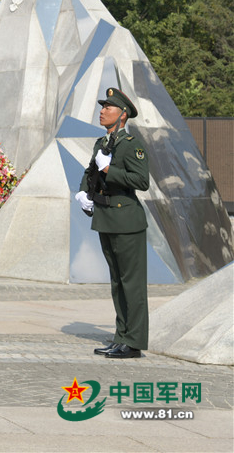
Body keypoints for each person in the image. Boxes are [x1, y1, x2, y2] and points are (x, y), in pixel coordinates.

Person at [76, 87, 150, 359]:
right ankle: (121, 337)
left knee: (132, 284)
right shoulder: (101, 143)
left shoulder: (131, 145)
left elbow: (142, 181)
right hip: (106, 218)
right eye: (102, 107)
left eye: (109, 108)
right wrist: (84, 191)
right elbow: (90, 170)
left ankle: (134, 342)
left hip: (127, 220)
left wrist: (110, 170)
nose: (102, 111)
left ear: (123, 115)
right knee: (118, 283)